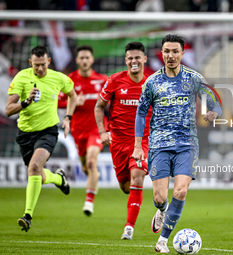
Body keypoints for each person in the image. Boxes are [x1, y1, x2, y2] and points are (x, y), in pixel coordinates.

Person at [132, 34, 222, 253]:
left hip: (187, 145)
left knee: (180, 192)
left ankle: (162, 241)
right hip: (159, 145)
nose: (170, 56)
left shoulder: (193, 78)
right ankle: (161, 210)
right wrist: (137, 145)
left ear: (182, 53)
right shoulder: (152, 82)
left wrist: (213, 112)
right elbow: (141, 113)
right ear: (161, 53)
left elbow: (215, 102)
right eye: (166, 51)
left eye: (175, 51)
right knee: (159, 197)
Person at [5, 45, 77, 232]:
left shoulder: (58, 77)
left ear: (49, 62)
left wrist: (68, 117)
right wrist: (25, 102)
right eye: (36, 65)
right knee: (37, 173)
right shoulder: (21, 77)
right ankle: (58, 179)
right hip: (25, 134)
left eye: (43, 65)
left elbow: (72, 95)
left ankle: (27, 216)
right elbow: (8, 109)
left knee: (35, 167)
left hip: (48, 131)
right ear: (31, 63)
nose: (40, 69)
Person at [94, 42, 152, 240]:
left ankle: (129, 227)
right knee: (127, 186)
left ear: (144, 59)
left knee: (137, 177)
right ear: (125, 60)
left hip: (143, 142)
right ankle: (136, 197)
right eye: (130, 58)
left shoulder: (152, 84)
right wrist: (102, 132)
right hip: (117, 142)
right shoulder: (114, 81)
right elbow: (99, 107)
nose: (134, 61)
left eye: (137, 57)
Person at [58, 45, 108, 216]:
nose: (85, 60)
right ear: (77, 60)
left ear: (92, 60)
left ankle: (89, 202)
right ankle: (94, 178)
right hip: (78, 131)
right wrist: (72, 102)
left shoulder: (102, 80)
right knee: (86, 166)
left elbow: (113, 102)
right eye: (82, 58)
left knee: (92, 161)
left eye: (88, 57)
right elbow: (57, 102)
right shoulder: (69, 81)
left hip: (97, 128)